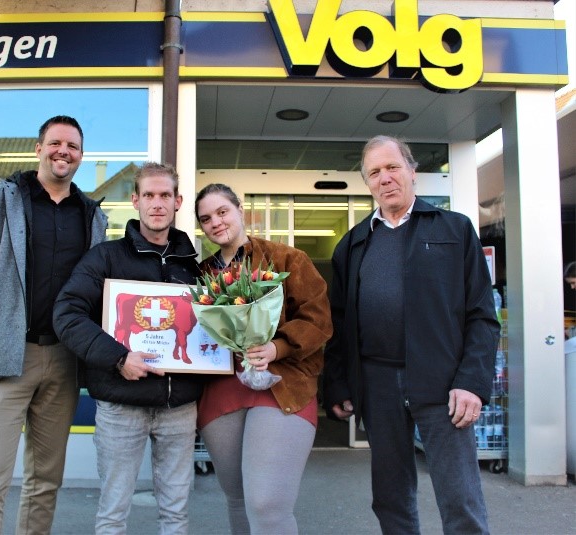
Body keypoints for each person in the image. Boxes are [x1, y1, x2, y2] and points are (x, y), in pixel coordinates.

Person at [323, 135, 501, 535]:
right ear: (367, 183)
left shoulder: (454, 229)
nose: (385, 178)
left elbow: (482, 316)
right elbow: (339, 324)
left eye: (392, 167)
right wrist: (338, 384)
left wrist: (471, 383)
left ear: (412, 171)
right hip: (378, 382)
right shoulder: (351, 245)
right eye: (374, 172)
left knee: (460, 497)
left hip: (443, 382)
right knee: (390, 496)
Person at [0, 115, 108, 535]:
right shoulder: (1, 201)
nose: (64, 152)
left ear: (81, 155)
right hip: (4, 357)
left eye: (72, 146)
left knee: (45, 483)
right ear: (38, 148)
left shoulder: (92, 216)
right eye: (55, 143)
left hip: (62, 361)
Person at [52, 162, 203, 535]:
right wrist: (118, 359)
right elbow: (68, 314)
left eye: (165, 195)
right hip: (122, 405)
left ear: (177, 201)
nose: (157, 203)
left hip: (178, 406)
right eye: (148, 195)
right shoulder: (105, 258)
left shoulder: (195, 269)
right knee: (113, 513)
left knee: (176, 513)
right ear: (135, 200)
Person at [193, 183, 333, 535]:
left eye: (222, 211)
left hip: (283, 388)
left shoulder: (288, 259)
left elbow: (318, 321)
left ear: (240, 210)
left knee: (267, 505)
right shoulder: (201, 275)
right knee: (238, 500)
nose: (216, 223)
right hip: (220, 392)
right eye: (206, 218)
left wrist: (278, 347)